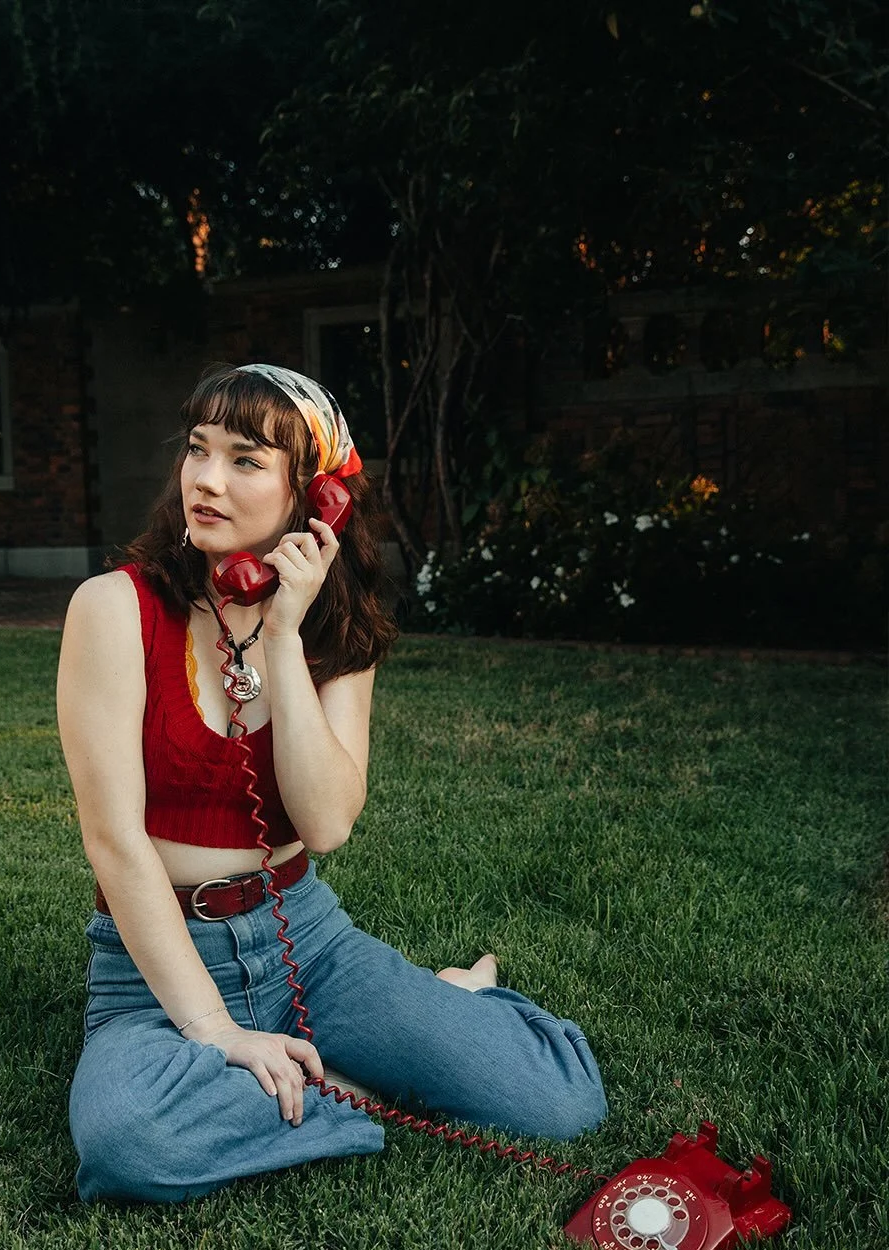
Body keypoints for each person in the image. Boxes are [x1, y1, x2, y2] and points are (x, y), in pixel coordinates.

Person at [56, 362, 606, 1204]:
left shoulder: (338, 628)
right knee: (131, 1140)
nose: (206, 479)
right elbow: (114, 842)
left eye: (245, 461)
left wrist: (283, 635)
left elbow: (326, 823)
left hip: (307, 944)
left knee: (560, 1101)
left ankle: (445, 1008)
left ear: (313, 497)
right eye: (198, 450)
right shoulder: (113, 608)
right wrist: (215, 1031)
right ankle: (356, 1083)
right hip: (153, 965)